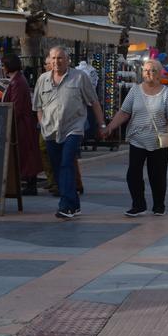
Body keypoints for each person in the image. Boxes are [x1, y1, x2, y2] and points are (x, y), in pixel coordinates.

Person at [33, 46, 106, 220]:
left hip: (73, 128)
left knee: (66, 163)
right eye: (53, 58)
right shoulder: (42, 79)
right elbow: (38, 106)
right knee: (58, 167)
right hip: (50, 130)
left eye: (60, 58)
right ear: (49, 61)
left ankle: (65, 205)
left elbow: (94, 102)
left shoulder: (80, 77)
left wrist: (102, 124)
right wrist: (43, 123)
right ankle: (74, 204)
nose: (56, 62)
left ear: (67, 60)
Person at [103, 59, 168, 217]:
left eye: (152, 71)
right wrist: (110, 126)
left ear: (159, 74)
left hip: (160, 139)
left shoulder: (166, 93)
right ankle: (138, 204)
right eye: (146, 70)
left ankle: (159, 204)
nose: (148, 73)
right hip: (137, 138)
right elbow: (124, 112)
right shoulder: (135, 91)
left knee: (157, 174)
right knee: (133, 173)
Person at [1, 55, 43, 195]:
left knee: (25, 153)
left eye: (3, 65)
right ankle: (29, 183)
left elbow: (16, 106)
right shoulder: (18, 80)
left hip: (22, 124)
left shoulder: (17, 82)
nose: (2, 68)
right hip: (23, 123)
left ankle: (30, 184)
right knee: (27, 153)